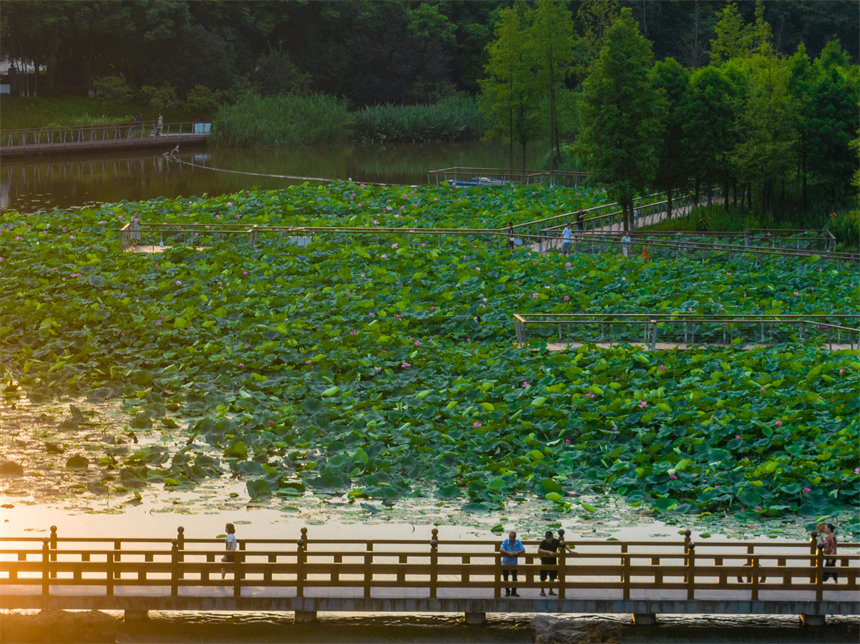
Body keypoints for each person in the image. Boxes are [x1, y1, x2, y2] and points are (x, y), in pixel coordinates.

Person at [500, 530, 525, 597]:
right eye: (510, 537)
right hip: (505, 562)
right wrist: (509, 553)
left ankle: (514, 592)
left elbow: (523, 549)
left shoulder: (518, 542)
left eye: (512, 537)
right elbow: (501, 549)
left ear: (514, 537)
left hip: (514, 562)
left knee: (514, 577)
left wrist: (516, 553)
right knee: (505, 577)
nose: (510, 538)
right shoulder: (505, 541)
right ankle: (507, 591)